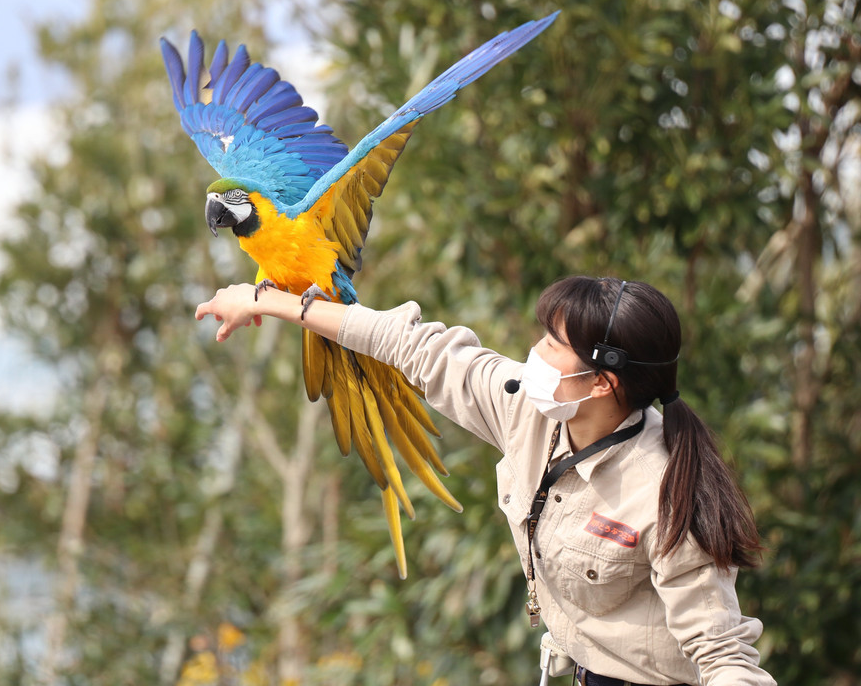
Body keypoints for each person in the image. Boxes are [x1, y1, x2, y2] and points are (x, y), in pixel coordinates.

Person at [195, 276, 775, 686]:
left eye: (554, 346)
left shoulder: (665, 491)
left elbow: (723, 656)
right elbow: (409, 345)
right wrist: (267, 301)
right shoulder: (530, 407)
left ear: (601, 384)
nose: (535, 356)